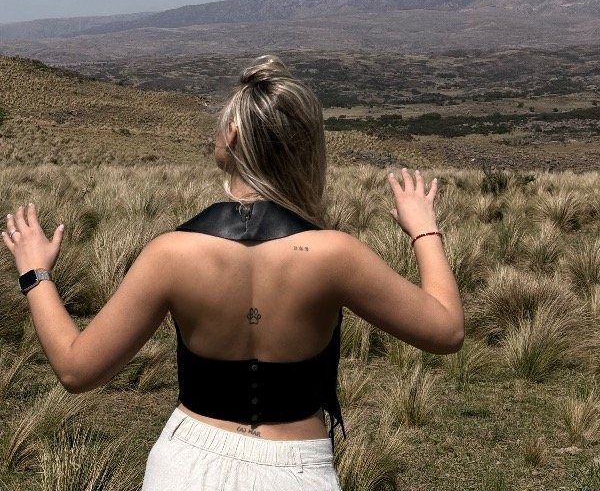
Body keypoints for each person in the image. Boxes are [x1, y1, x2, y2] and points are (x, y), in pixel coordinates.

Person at [1, 54, 464, 491]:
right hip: (297, 471)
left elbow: (76, 368)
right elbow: (446, 330)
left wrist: (35, 273)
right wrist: (424, 230)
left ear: (236, 136)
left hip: (185, 465)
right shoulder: (335, 255)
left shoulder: (171, 254)